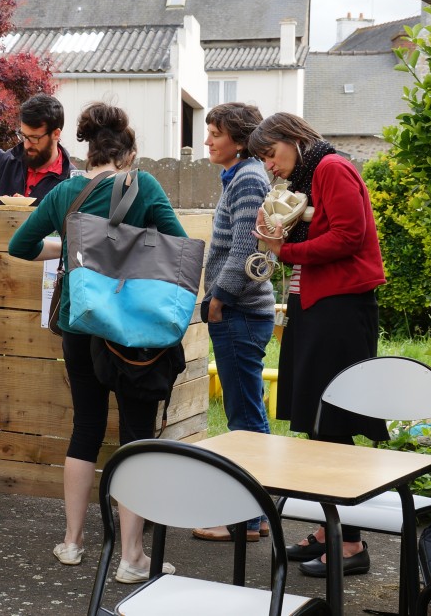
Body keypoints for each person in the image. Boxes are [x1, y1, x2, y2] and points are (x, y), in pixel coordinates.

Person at [8, 102, 184, 584]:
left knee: (85, 427)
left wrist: (68, 247)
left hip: (79, 326)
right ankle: (131, 557)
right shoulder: (144, 186)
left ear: (89, 149)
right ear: (128, 153)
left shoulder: (66, 191)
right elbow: (178, 248)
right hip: (131, 334)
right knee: (135, 436)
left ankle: (72, 542)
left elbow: (19, 246)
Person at [247, 112, 387, 578]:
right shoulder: (309, 175)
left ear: (292, 139)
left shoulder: (331, 167)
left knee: (335, 421)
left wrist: (282, 249)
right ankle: (330, 531)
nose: (270, 166)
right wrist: (276, 235)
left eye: (271, 154)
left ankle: (351, 544)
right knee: (316, 419)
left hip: (341, 309)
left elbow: (350, 236)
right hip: (317, 304)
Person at [192, 102, 275, 543]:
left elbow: (247, 249)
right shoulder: (241, 177)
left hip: (239, 313)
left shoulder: (247, 178)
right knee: (248, 412)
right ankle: (255, 518)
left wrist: (219, 298)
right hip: (240, 313)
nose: (207, 141)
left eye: (215, 133)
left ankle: (246, 520)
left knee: (245, 421)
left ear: (239, 141)